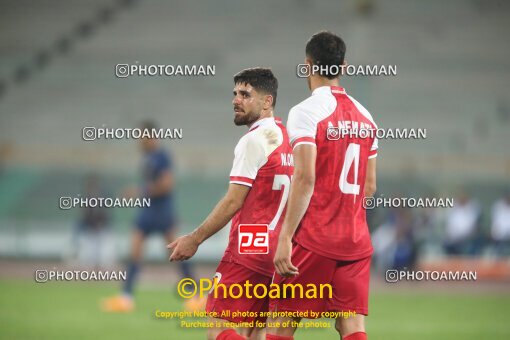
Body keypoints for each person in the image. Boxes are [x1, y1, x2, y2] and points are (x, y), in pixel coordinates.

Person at [267, 31, 378, 340]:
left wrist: (286, 236)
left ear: (307, 65)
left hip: (314, 237)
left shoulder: (305, 112)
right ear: (342, 65)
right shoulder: (367, 118)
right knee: (351, 326)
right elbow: (369, 186)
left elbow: (304, 177)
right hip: (355, 242)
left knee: (281, 323)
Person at [169, 68, 293, 340]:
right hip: (279, 253)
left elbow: (234, 200)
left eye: (246, 94)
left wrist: (195, 238)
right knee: (255, 332)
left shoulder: (253, 141)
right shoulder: (287, 138)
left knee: (218, 327)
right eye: (235, 93)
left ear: (267, 101)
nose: (236, 100)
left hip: (249, 249)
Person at [102, 120, 196, 312]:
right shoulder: (147, 158)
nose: (140, 141)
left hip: (161, 211)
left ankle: (194, 297)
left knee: (177, 253)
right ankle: (126, 298)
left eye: (143, 137)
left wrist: (139, 191)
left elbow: (167, 184)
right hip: (147, 210)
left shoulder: (162, 156)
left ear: (152, 136)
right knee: (135, 252)